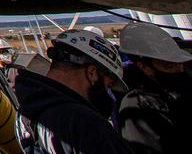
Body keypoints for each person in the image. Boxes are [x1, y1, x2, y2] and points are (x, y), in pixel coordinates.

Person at [15, 29, 132, 154]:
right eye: (108, 85)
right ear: (92, 73)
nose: (107, 93)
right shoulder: (84, 123)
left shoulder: (25, 115)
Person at [117, 22, 192, 154]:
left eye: (180, 65)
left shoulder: (178, 92)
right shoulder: (138, 103)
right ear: (145, 67)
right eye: (169, 66)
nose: (179, 70)